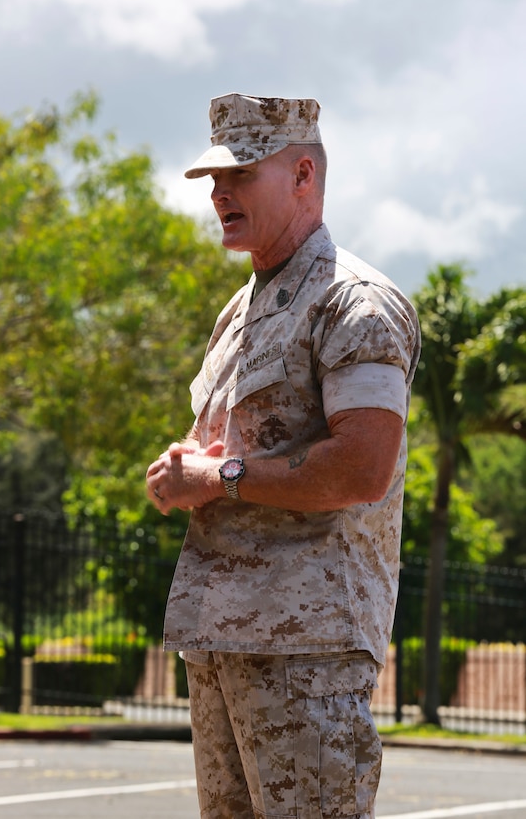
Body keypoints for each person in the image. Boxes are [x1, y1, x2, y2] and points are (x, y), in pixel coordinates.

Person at [146, 93, 421, 819]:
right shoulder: (240, 311)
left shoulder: (353, 303)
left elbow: (362, 469)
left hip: (309, 650)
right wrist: (185, 472)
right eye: (212, 178)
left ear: (302, 173)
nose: (218, 192)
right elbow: (230, 450)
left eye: (240, 172)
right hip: (222, 637)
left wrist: (220, 477)